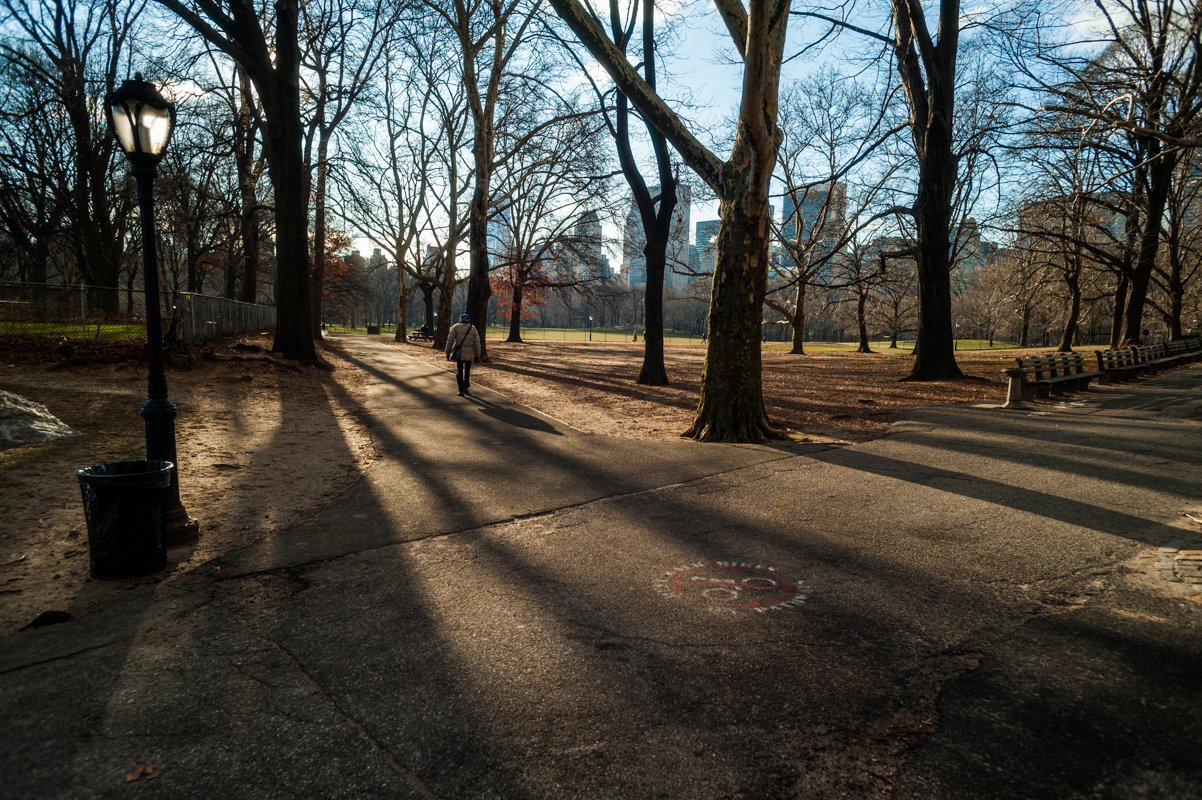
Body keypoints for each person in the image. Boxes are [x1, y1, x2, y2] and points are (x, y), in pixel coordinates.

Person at [446, 313, 481, 396]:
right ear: (468, 320)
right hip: (469, 354)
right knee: (467, 371)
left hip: (459, 353)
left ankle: (461, 389)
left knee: (460, 371)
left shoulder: (456, 327)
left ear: (461, 319)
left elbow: (450, 341)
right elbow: (477, 343)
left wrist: (447, 352)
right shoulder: (473, 328)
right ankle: (466, 387)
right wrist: (477, 355)